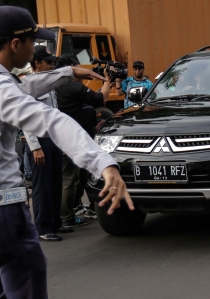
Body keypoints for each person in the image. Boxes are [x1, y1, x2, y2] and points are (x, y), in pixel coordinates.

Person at [0, 6, 133, 298]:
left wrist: (69, 72)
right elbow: (51, 119)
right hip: (5, 211)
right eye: (33, 42)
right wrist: (103, 162)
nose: (36, 48)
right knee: (28, 281)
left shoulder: (9, 82)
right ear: (15, 45)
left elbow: (24, 86)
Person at [55, 54, 111, 224]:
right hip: (73, 141)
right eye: (79, 67)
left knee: (70, 179)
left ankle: (68, 213)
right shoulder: (73, 87)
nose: (84, 70)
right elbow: (101, 99)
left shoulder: (54, 87)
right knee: (71, 180)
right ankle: (66, 217)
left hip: (61, 138)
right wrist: (107, 80)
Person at [23, 46, 69, 241]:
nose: (52, 66)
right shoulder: (28, 85)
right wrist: (35, 147)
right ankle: (42, 227)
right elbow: (26, 119)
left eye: (53, 62)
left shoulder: (48, 85)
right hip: (39, 141)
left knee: (55, 182)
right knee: (42, 186)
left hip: (53, 138)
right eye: (49, 62)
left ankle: (55, 222)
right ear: (37, 64)